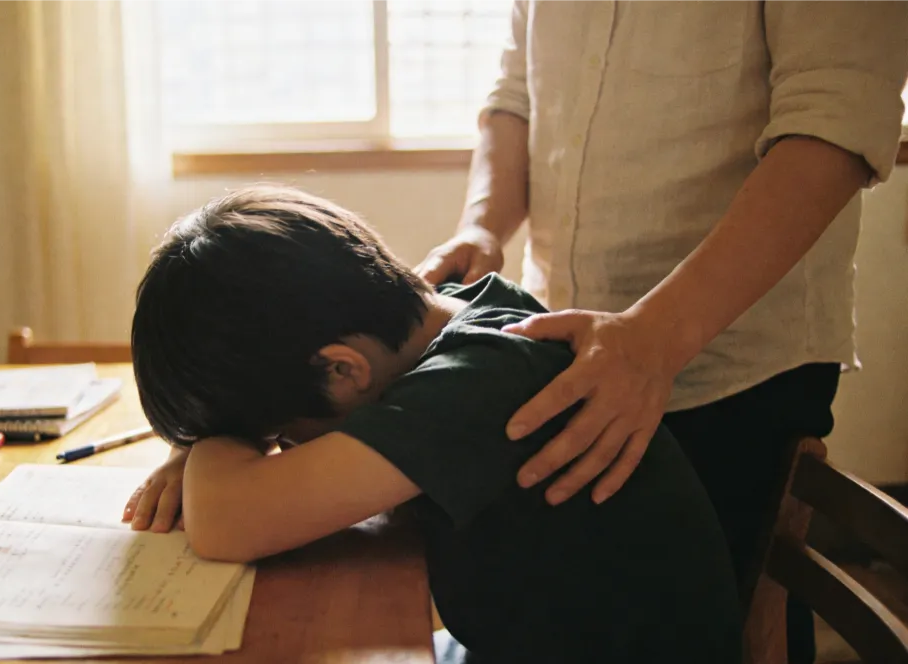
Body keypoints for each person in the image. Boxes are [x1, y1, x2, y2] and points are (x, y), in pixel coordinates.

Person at [415, 3, 908, 660]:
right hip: (565, 344)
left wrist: (655, 337)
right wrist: (482, 224)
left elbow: (835, 125)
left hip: (733, 365)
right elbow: (515, 100)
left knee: (708, 631)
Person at [124, 186, 741, 663]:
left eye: (280, 434)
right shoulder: (468, 317)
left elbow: (229, 523)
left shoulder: (476, 385)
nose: (279, 449)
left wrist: (217, 441)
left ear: (342, 371)